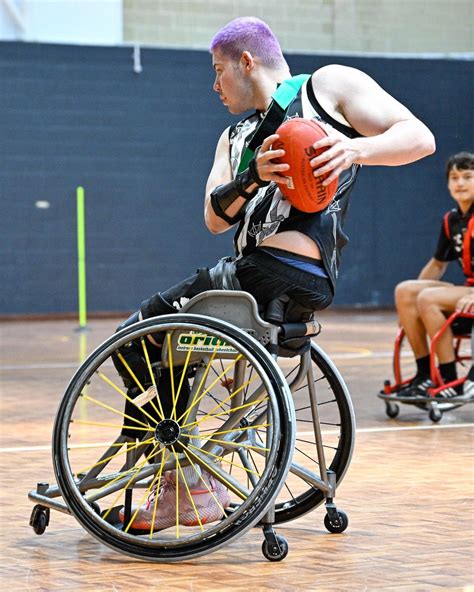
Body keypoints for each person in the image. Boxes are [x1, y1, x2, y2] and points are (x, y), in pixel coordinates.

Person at [116, 16, 435, 530]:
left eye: (219, 71)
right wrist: (251, 176)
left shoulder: (327, 87)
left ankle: (188, 482)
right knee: (168, 344)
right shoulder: (236, 136)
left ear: (247, 62)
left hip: (276, 272)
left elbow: (419, 137)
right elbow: (213, 219)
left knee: (132, 337)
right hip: (261, 277)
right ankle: (183, 469)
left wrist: (356, 149)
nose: (214, 85)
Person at [393, 152, 474, 400]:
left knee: (429, 298)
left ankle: (449, 378)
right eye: (454, 177)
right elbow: (438, 264)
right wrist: (408, 310)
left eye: (467, 177)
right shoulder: (452, 220)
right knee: (406, 291)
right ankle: (424, 374)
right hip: (467, 289)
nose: (460, 183)